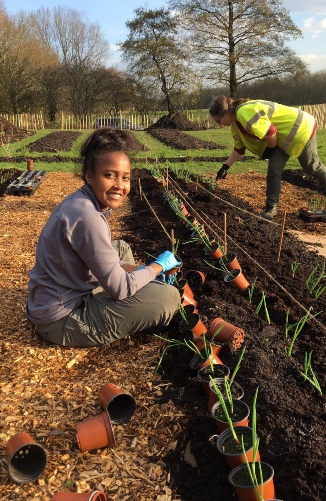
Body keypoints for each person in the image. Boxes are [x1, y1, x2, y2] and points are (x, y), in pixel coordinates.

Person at [26, 128, 180, 348]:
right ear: (89, 175)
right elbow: (120, 289)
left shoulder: (81, 201)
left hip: (52, 296)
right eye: (109, 175)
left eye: (125, 177)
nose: (119, 185)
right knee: (168, 297)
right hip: (60, 318)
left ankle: (133, 292)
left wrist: (140, 270)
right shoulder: (87, 216)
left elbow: (109, 261)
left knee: (121, 249)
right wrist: (156, 267)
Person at [209, 95, 326, 219]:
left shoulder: (243, 112)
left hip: (300, 127)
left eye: (218, 121)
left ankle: (271, 207)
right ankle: (271, 208)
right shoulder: (235, 125)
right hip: (282, 138)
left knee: (311, 166)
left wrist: (270, 150)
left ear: (226, 114)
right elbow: (239, 149)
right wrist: (225, 167)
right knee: (274, 169)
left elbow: (270, 132)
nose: (219, 124)